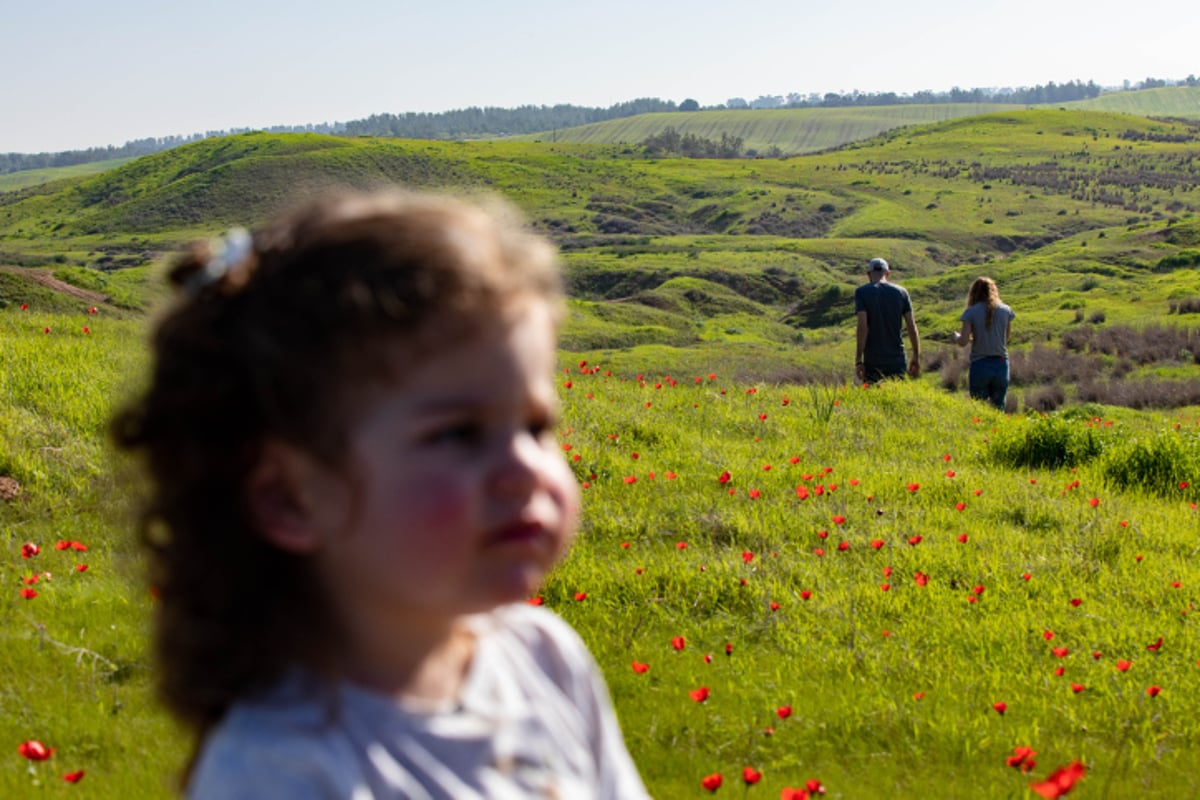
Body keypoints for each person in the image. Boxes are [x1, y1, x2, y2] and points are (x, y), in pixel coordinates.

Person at [111, 190, 650, 799]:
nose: (523, 468)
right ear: (289, 498)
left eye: (535, 427)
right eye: (460, 434)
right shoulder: (280, 772)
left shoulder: (547, 662)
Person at [952, 276, 1015, 410]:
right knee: (998, 407)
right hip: (1001, 364)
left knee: (978, 408)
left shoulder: (971, 312)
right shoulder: (1006, 310)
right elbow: (1005, 339)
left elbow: (963, 342)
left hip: (980, 365)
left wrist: (956, 337)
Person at [854, 257, 920, 383]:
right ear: (888, 274)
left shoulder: (862, 292)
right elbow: (911, 326)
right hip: (897, 358)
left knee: (874, 397)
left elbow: (863, 327)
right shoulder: (902, 292)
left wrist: (858, 360)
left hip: (873, 359)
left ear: (868, 274)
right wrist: (916, 356)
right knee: (897, 396)